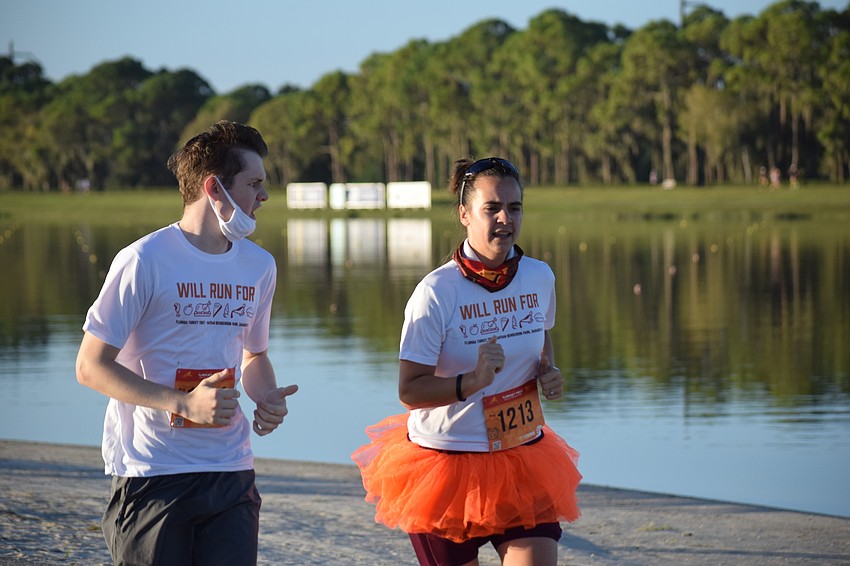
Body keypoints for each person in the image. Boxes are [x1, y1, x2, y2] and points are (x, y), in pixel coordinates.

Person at [75, 120, 298, 565]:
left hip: (231, 472)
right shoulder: (144, 260)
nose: (264, 196)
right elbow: (91, 367)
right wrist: (184, 403)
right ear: (215, 189)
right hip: (154, 474)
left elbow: (254, 355)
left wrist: (266, 395)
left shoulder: (259, 265)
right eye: (254, 184)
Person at [352, 157, 581, 566]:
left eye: (514, 207)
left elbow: (541, 338)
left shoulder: (540, 276)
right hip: (446, 467)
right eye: (491, 208)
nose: (504, 219)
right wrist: (470, 382)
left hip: (524, 457)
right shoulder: (436, 292)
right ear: (464, 214)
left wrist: (549, 372)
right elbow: (409, 390)